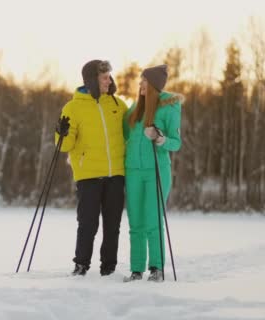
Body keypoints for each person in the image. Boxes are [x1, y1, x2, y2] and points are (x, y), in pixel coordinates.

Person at [55, 60, 128, 276]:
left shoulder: (117, 104)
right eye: (104, 77)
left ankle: (109, 267)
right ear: (92, 80)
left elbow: (132, 129)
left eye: (109, 76)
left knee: (112, 225)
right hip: (88, 175)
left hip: (115, 173)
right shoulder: (73, 107)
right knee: (88, 223)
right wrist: (61, 132)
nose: (109, 81)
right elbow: (64, 146)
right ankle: (81, 264)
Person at [122, 65, 183, 282]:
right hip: (133, 171)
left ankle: (156, 268)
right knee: (135, 222)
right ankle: (136, 270)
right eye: (140, 82)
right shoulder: (134, 109)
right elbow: (120, 134)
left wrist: (160, 138)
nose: (140, 85)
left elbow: (176, 143)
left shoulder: (170, 107)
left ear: (154, 85)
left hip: (156, 171)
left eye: (144, 82)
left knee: (152, 220)